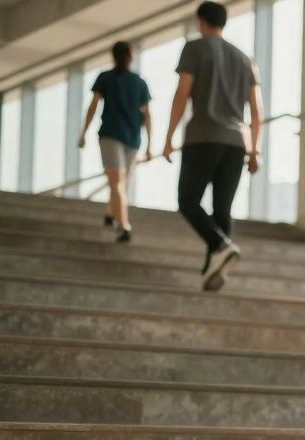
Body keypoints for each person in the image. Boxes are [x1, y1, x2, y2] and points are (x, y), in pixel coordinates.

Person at [163, 1, 263, 291]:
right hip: (236, 143)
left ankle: (221, 245)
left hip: (203, 137)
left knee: (187, 200)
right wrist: (254, 150)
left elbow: (182, 93)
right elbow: (257, 111)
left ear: (202, 21)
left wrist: (169, 137)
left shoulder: (194, 48)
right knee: (222, 210)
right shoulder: (244, 59)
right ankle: (213, 269)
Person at [78, 41, 152, 243]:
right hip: (130, 138)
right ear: (131, 57)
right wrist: (149, 145)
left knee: (118, 182)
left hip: (115, 135)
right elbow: (147, 116)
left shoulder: (107, 78)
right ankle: (123, 224)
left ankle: (112, 215)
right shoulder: (138, 82)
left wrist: (83, 133)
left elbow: (93, 106)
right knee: (119, 182)